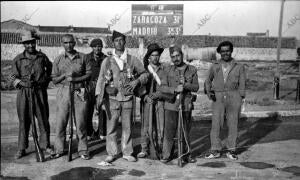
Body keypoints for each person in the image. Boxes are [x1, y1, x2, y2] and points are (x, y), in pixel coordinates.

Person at [95, 30, 148, 163]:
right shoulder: (107, 60)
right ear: (113, 43)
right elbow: (101, 79)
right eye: (116, 40)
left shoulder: (132, 59)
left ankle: (127, 152)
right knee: (111, 127)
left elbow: (145, 74)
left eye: (121, 40)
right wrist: (99, 95)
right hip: (112, 99)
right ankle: (111, 153)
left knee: (127, 127)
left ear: (125, 42)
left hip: (127, 98)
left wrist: (136, 81)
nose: (119, 43)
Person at [10, 29, 54, 159]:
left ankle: (46, 146)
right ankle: (21, 148)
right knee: (24, 120)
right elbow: (12, 77)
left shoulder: (42, 57)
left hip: (39, 92)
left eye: (32, 43)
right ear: (23, 44)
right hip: (24, 93)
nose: (30, 46)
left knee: (43, 119)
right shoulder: (18, 59)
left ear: (35, 43)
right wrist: (19, 83)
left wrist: (45, 81)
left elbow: (50, 69)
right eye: (27, 43)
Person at [51, 34, 92, 160]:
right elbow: (54, 80)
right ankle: (58, 149)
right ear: (62, 44)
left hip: (79, 90)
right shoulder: (58, 59)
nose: (68, 45)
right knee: (61, 122)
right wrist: (64, 76)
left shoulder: (83, 57)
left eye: (70, 42)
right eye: (65, 43)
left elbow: (89, 74)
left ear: (74, 43)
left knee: (80, 122)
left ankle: (83, 149)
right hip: (63, 91)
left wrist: (76, 78)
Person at [204, 41, 246, 160]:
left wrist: (241, 98)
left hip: (234, 96)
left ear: (231, 51)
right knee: (216, 124)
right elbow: (208, 80)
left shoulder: (239, 66)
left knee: (233, 124)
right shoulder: (215, 65)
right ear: (219, 53)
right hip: (218, 97)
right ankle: (215, 150)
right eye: (222, 51)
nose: (225, 53)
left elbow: (242, 83)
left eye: (227, 50)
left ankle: (231, 150)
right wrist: (209, 92)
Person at [157, 45, 199, 164]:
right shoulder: (167, 70)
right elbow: (162, 87)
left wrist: (185, 85)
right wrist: (175, 89)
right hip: (171, 105)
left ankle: (186, 155)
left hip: (186, 105)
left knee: (185, 131)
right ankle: (167, 154)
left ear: (182, 55)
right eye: (173, 57)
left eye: (177, 55)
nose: (176, 58)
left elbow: (196, 87)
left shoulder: (192, 69)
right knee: (169, 131)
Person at [137, 43, 166, 159]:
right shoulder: (143, 70)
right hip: (147, 101)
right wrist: (144, 97)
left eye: (157, 55)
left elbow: (167, 84)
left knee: (160, 125)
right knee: (146, 126)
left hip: (160, 101)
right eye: (153, 55)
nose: (155, 57)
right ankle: (144, 148)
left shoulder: (165, 69)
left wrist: (160, 94)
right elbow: (137, 87)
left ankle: (160, 148)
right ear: (149, 57)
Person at [86, 38, 107, 141]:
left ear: (102, 47)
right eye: (95, 46)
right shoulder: (86, 58)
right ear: (92, 47)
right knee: (88, 110)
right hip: (89, 87)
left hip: (102, 88)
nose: (97, 48)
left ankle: (102, 132)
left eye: (99, 46)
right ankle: (89, 132)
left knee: (102, 110)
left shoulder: (106, 59)